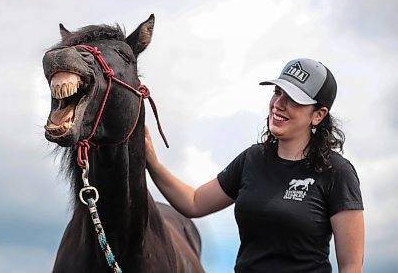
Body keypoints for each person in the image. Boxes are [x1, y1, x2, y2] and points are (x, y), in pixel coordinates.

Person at [145, 58, 364, 273]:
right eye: (278, 93)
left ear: (318, 115)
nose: (279, 105)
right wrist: (152, 163)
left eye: (294, 100)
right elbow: (194, 203)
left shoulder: (337, 172)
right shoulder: (252, 159)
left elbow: (351, 266)